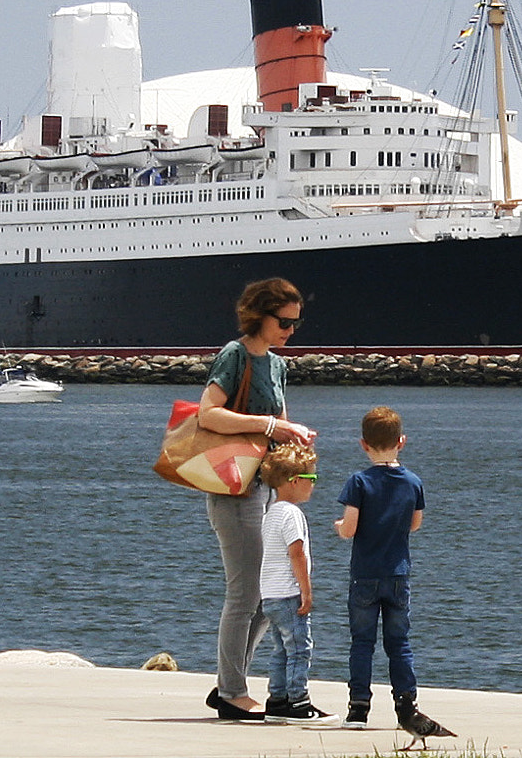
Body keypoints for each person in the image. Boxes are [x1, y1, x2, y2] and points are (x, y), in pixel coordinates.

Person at [199, 277, 317, 721]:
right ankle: (231, 691)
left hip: (267, 488)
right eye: (284, 321)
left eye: (295, 323)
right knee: (245, 593)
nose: (290, 330)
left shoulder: (277, 365)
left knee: (270, 594)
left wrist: (295, 438)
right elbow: (208, 412)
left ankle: (236, 686)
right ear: (259, 315)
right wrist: (270, 427)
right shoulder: (235, 355)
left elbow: (278, 424)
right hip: (234, 489)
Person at [333, 406, 454, 744]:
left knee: (362, 642)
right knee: (399, 643)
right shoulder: (413, 482)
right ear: (402, 442)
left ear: (363, 444)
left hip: (365, 575)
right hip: (398, 574)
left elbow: (350, 527)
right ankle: (406, 705)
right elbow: (415, 524)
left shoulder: (359, 482)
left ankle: (359, 708)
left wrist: (341, 529)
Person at [257, 442, 329, 723]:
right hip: (289, 594)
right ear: (295, 481)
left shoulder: (271, 512)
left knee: (281, 650)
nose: (314, 485)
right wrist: (306, 592)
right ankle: (299, 702)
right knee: (300, 648)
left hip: (270, 595)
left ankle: (277, 700)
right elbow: (296, 553)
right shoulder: (292, 514)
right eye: (312, 479)